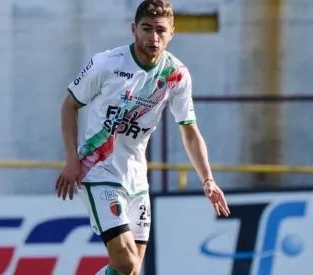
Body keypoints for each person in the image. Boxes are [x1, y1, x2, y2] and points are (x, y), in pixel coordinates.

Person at [55, 0, 230, 274]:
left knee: (131, 270)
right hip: (98, 171)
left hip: (137, 179)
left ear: (172, 33)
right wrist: (71, 160)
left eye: (160, 30)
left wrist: (208, 179)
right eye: (146, 29)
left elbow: (189, 130)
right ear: (134, 29)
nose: (153, 37)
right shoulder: (106, 64)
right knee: (125, 261)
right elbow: (69, 105)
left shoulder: (176, 75)